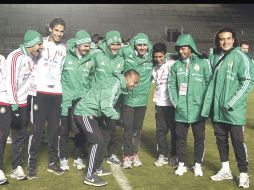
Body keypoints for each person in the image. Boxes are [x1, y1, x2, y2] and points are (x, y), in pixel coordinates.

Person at [201, 27, 254, 188]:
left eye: (228, 38)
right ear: (218, 41)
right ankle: (225, 170)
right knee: (221, 140)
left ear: (234, 39)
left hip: (233, 110)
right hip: (217, 110)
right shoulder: (216, 56)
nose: (225, 42)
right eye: (222, 39)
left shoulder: (240, 56)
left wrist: (231, 102)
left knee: (238, 141)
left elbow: (247, 81)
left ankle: (244, 174)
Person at [73, 69, 139, 187]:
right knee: (96, 140)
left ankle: (97, 168)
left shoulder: (118, 85)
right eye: (135, 82)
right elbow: (106, 106)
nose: (135, 85)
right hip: (84, 112)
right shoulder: (115, 84)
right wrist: (119, 118)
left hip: (93, 113)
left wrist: (116, 116)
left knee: (106, 136)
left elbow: (109, 105)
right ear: (127, 78)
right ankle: (89, 176)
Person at [0, 30, 43, 184]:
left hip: (23, 102)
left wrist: (31, 100)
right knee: (2, 136)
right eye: (39, 44)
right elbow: (10, 82)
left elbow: (30, 81)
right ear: (31, 44)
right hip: (7, 101)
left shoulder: (33, 57)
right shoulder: (15, 56)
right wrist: (14, 105)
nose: (40, 47)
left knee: (20, 136)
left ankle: (16, 166)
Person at [27, 17, 67, 179]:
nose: (59, 34)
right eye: (56, 30)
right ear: (50, 29)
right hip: (40, 93)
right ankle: (32, 165)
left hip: (56, 94)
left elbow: (61, 69)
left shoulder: (64, 49)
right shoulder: (40, 43)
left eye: (61, 31)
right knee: (36, 130)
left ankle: (52, 163)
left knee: (54, 130)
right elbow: (31, 61)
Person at [168, 34, 212, 176]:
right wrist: (177, 104)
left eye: (184, 48)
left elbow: (209, 85)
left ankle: (197, 165)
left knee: (199, 139)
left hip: (198, 110)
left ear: (191, 48)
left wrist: (204, 105)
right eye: (179, 49)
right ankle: (181, 164)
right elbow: (171, 86)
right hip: (181, 110)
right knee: (180, 139)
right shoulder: (175, 66)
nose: (180, 51)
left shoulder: (204, 63)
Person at [59, 30, 95, 171]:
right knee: (64, 131)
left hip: (82, 103)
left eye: (89, 46)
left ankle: (78, 156)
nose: (88, 48)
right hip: (66, 100)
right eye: (85, 46)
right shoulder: (65, 57)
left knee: (81, 131)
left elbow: (91, 80)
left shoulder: (91, 60)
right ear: (78, 45)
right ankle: (62, 157)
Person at [92, 31, 124, 166]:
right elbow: (88, 73)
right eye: (113, 44)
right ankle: (91, 154)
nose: (116, 47)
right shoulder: (96, 55)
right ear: (107, 43)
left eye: (118, 44)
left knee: (112, 130)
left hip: (112, 102)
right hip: (96, 101)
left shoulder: (121, 59)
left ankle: (111, 154)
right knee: (94, 131)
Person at [121, 33, 153, 169]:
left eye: (144, 45)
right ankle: (126, 156)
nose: (142, 47)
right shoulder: (127, 55)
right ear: (134, 45)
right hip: (128, 99)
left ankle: (135, 154)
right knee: (128, 129)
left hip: (142, 101)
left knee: (137, 130)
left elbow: (164, 55)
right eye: (139, 44)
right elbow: (114, 48)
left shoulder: (151, 59)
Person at [152, 42, 178, 168]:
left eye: (160, 57)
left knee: (175, 131)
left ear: (165, 55)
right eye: (156, 57)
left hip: (172, 104)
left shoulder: (173, 64)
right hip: (159, 104)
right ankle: (163, 154)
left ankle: (174, 155)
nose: (158, 59)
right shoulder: (154, 68)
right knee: (160, 131)